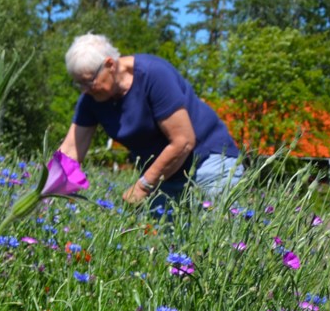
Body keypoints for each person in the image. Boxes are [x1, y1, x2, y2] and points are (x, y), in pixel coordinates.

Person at [57, 34, 243, 216]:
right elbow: (71, 150)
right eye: (79, 84)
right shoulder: (92, 98)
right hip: (164, 177)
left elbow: (183, 141)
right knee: (163, 236)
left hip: (207, 164)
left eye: (89, 81)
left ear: (110, 65)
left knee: (213, 232)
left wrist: (143, 186)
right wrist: (45, 191)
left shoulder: (153, 74)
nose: (84, 90)